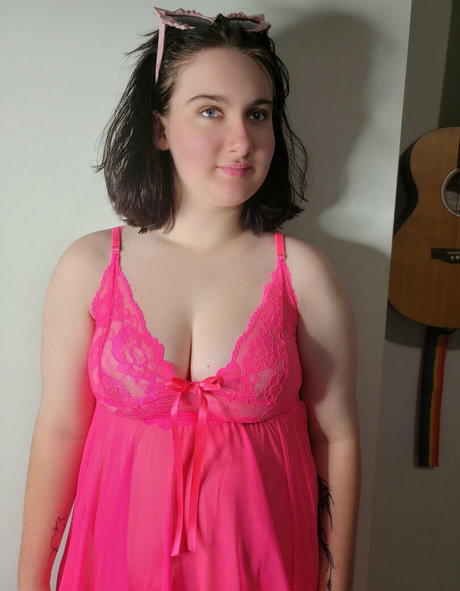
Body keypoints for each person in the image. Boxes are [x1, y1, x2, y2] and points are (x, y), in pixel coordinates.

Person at [18, 8, 360, 591]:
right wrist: (30, 580)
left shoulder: (303, 274)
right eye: (210, 111)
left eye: (258, 114)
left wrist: (338, 582)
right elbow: (60, 431)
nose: (242, 140)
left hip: (262, 568)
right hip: (116, 567)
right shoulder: (91, 266)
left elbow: (338, 438)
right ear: (159, 129)